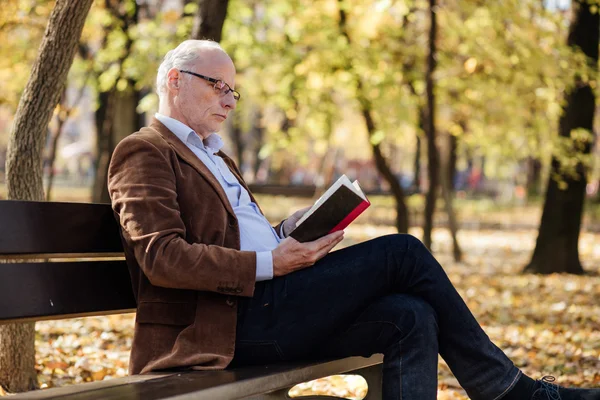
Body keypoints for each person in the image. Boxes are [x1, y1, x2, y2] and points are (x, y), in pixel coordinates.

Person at [107, 40, 600, 400]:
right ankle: (509, 392)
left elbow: (237, 237)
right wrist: (272, 263)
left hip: (264, 305)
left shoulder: (215, 155)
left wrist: (287, 232)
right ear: (175, 80)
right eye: (219, 87)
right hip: (221, 327)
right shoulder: (145, 151)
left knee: (411, 315)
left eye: (234, 91)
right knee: (403, 251)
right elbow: (160, 257)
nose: (231, 101)